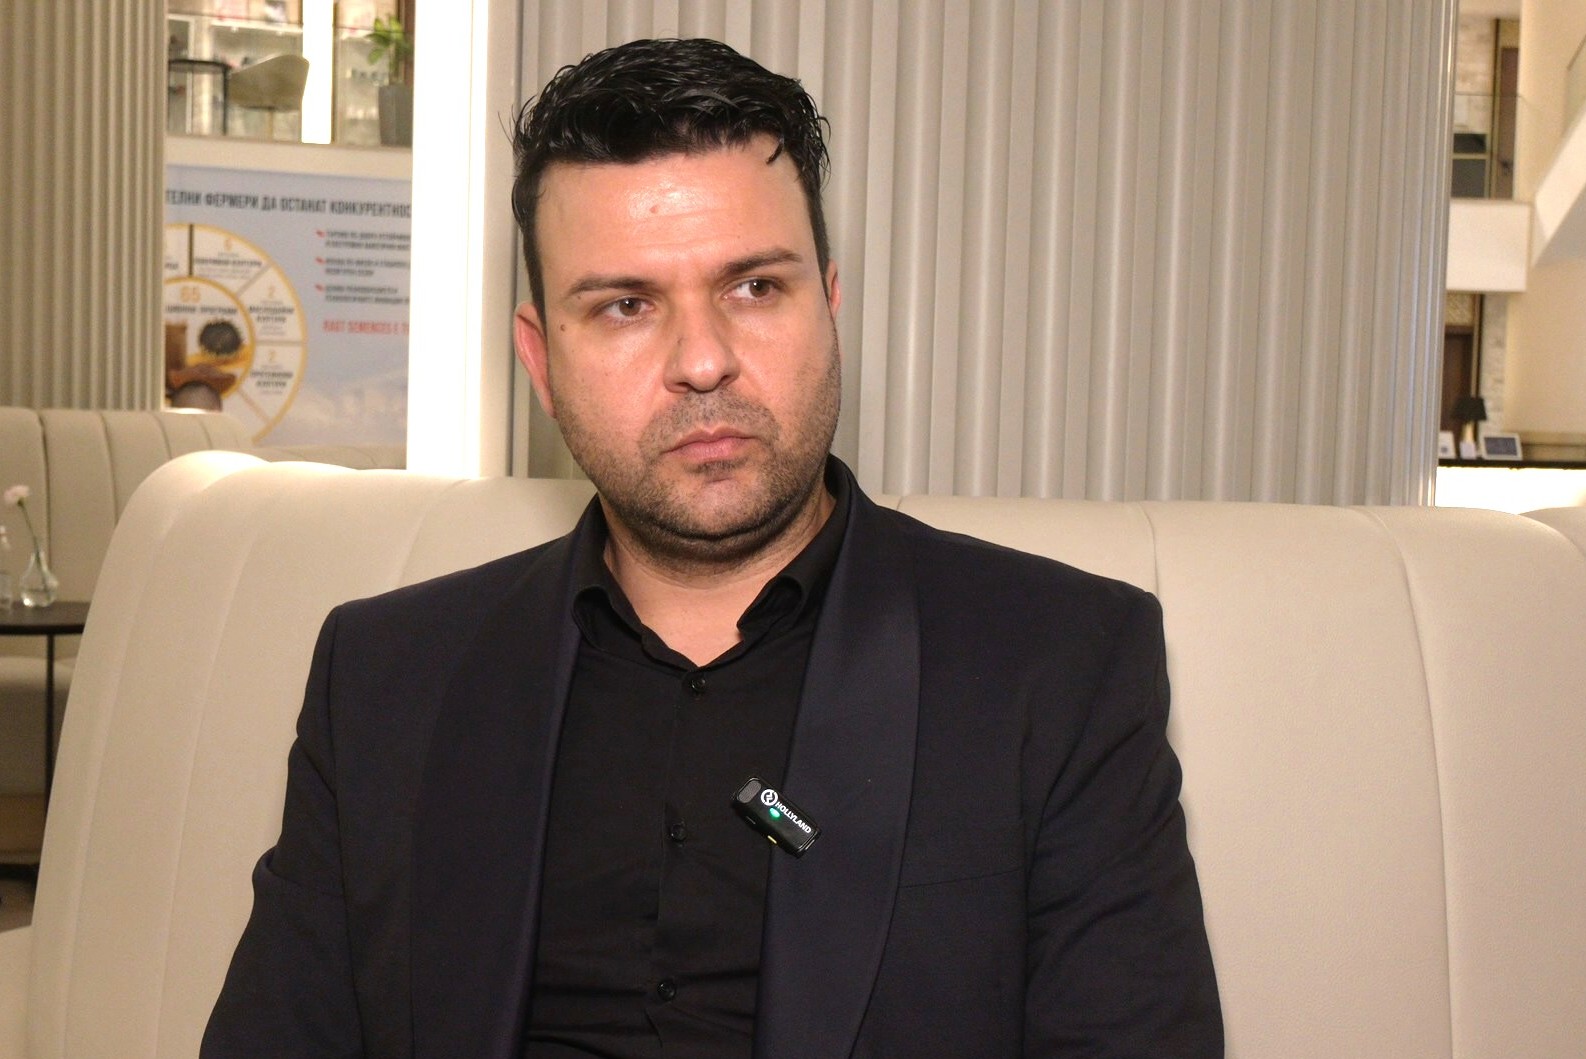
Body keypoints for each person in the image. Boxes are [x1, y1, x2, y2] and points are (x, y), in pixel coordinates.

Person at [203, 37, 1221, 1058]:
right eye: (625, 306)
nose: (701, 361)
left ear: (827, 306)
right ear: (541, 360)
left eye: (753, 289)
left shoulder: (1060, 663)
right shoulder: (384, 678)